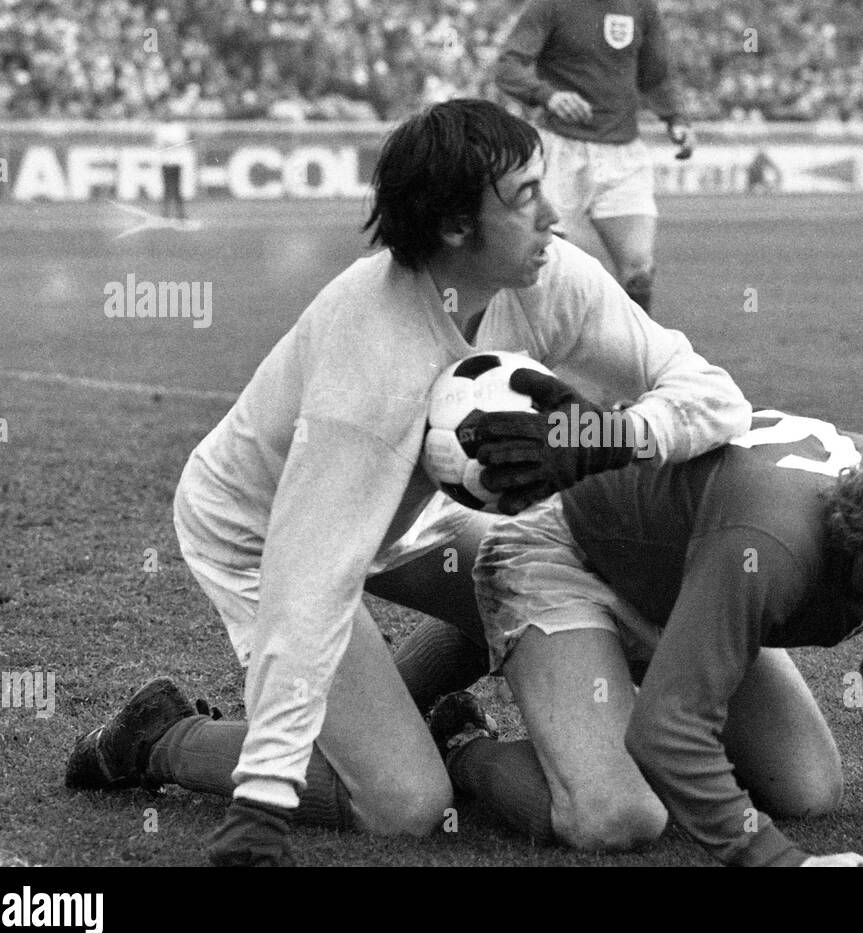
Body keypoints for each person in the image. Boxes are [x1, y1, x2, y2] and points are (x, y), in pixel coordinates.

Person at [63, 98, 752, 866]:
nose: (555, 215)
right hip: (264, 535)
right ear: (456, 227)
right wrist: (265, 796)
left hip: (418, 511)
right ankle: (160, 737)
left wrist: (607, 434)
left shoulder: (548, 276)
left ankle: (423, 708)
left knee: (515, 558)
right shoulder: (371, 372)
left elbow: (713, 393)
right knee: (405, 805)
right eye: (526, 197)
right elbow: (310, 579)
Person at [429, 412, 863, 866]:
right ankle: (459, 739)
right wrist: (782, 863)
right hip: (568, 548)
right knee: (619, 817)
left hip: (686, 576)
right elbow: (668, 727)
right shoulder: (776, 545)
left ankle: (563, 665)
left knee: (803, 792)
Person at [494, 0, 694, 314]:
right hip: (560, 153)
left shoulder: (641, 7)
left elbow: (655, 76)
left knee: (639, 270)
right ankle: (544, 353)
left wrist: (676, 119)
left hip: (623, 153)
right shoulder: (550, 6)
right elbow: (508, 67)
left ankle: (634, 356)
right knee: (548, 270)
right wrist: (549, 96)